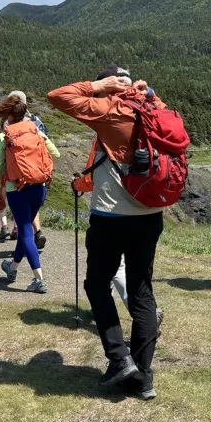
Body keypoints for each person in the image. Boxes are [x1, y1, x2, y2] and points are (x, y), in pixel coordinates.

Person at [47, 66, 163, 400]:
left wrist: (98, 86)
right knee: (142, 292)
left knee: (97, 284)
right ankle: (143, 378)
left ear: (110, 88)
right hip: (151, 214)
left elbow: (58, 96)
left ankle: (119, 358)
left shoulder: (109, 109)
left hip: (111, 216)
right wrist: (147, 91)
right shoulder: (154, 107)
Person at [0, 95, 60, 293]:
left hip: (16, 189)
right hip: (39, 187)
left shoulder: (4, 136)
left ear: (9, 115)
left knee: (26, 231)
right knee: (25, 228)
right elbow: (55, 153)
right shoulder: (35, 130)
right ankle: (12, 267)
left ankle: (39, 279)